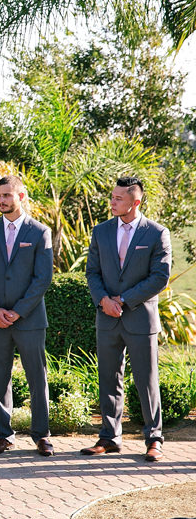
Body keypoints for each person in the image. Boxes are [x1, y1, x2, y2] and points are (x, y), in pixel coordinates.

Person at [83, 176, 171, 462]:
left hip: (140, 319)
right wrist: (103, 300)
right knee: (108, 379)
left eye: (118, 199)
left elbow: (160, 277)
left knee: (146, 381)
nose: (112, 202)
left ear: (136, 202)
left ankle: (154, 439)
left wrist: (122, 300)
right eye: (112, 197)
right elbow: (92, 273)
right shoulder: (101, 232)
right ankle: (109, 438)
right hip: (107, 318)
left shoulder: (157, 233)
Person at [0, 175, 55, 457]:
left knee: (37, 377)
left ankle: (42, 435)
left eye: (7, 195)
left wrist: (18, 311)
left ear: (21, 196)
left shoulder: (39, 232)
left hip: (30, 320)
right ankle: (3, 435)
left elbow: (43, 278)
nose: (1, 200)